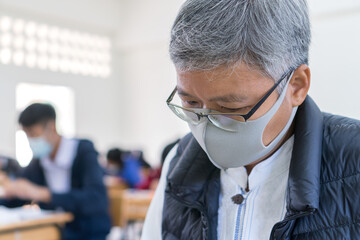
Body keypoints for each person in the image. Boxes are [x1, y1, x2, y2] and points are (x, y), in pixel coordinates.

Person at [142, 0, 360, 239]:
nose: (206, 128)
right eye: (191, 103)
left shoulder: (353, 163)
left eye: (229, 108)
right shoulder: (180, 162)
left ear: (296, 85)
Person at [1, 103, 111, 240]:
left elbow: (97, 200)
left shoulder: (83, 151)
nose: (30, 140)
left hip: (89, 232)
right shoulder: (39, 161)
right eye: (27, 135)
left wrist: (44, 194)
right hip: (57, 231)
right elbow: (20, 195)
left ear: (51, 127)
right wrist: (10, 191)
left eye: (34, 134)